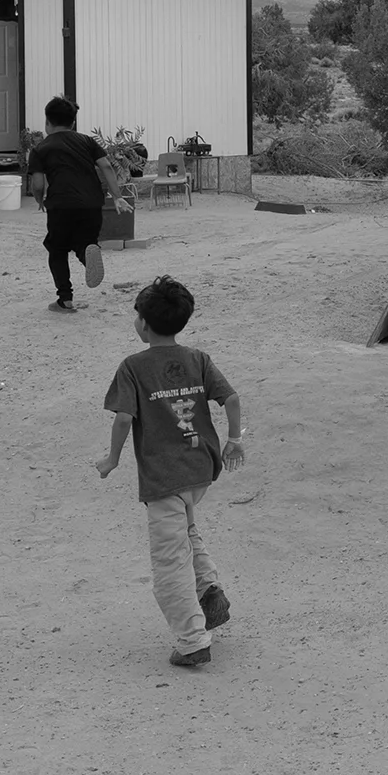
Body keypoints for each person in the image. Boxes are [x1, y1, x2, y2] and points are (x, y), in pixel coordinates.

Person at [96, 275, 247, 668]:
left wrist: (112, 460)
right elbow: (230, 398)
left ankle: (192, 639)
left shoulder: (132, 366)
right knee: (186, 529)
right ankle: (209, 590)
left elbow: (124, 419)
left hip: (164, 477)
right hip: (200, 468)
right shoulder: (197, 358)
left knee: (168, 560)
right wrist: (234, 440)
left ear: (143, 324)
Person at [25, 95, 113, 312]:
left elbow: (37, 183)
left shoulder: (41, 149)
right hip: (92, 203)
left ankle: (65, 299)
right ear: (73, 122)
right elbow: (107, 166)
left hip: (61, 205)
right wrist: (117, 196)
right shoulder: (87, 141)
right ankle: (86, 254)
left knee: (57, 248)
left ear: (47, 123)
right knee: (85, 241)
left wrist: (39, 199)